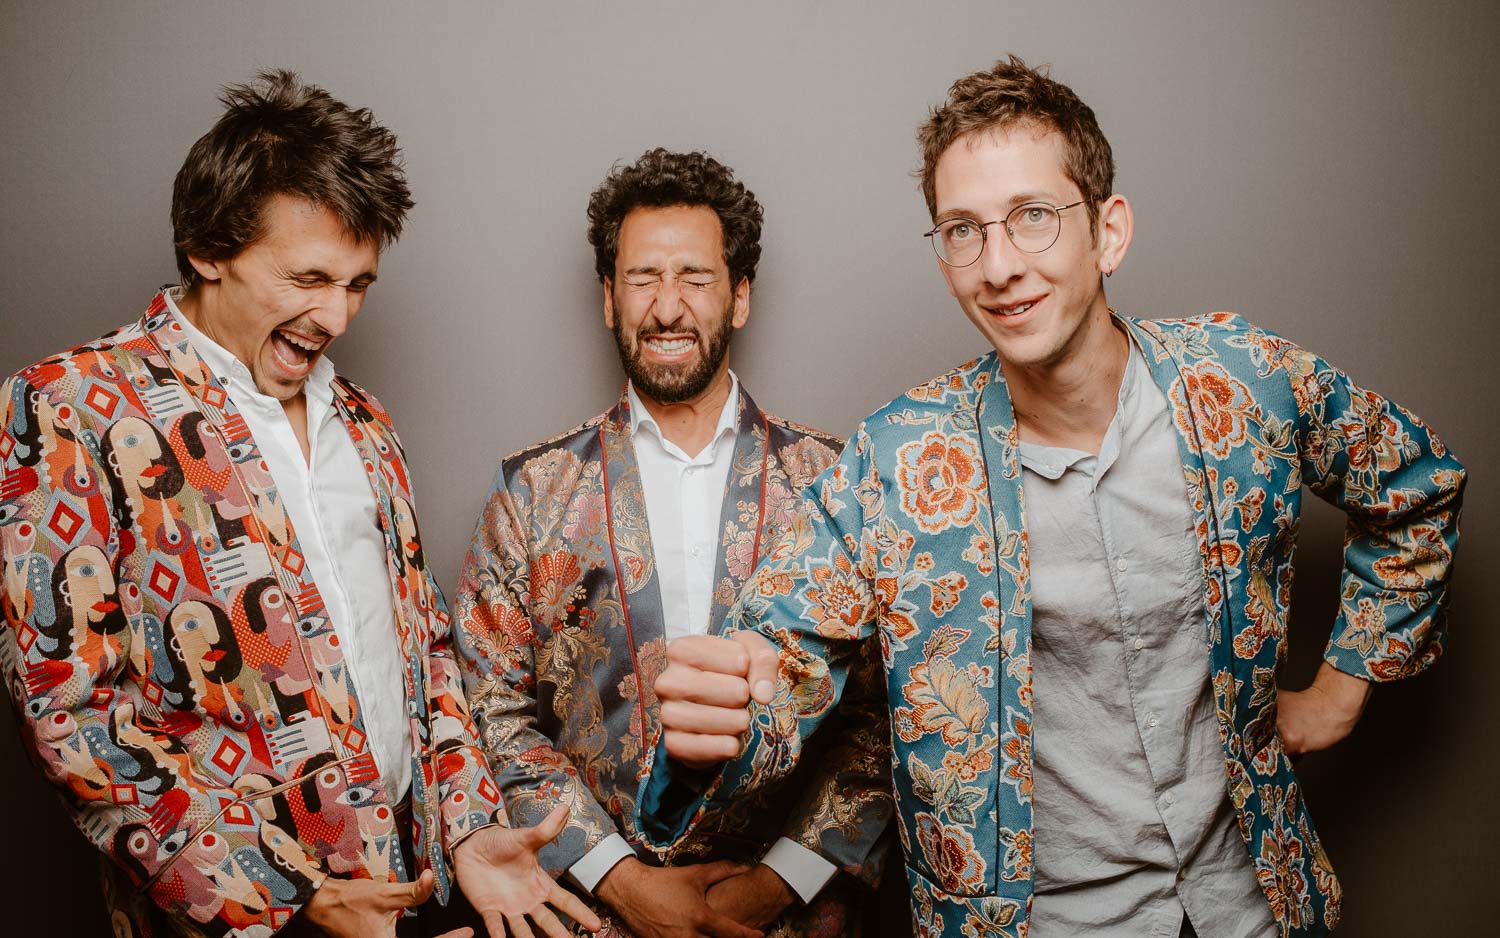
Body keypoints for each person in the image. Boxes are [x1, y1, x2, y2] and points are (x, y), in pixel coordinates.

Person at [637, 57, 1466, 938]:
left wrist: (1342, 689)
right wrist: (718, 728)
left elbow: (1416, 487)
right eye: (962, 230)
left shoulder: (1244, 384)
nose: (997, 265)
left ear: (1109, 232)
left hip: (1248, 904)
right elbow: (782, 664)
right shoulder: (900, 458)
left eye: (1032, 218)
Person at [0, 70, 597, 938]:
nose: (338, 317)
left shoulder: (364, 421)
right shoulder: (73, 406)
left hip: (408, 894)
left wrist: (466, 828)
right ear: (210, 248)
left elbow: (422, 649)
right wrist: (286, 896)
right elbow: (69, 710)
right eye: (309, 277)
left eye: (358, 285)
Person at [453, 149, 893, 938]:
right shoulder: (531, 493)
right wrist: (620, 883)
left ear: (741, 296)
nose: (666, 307)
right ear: (608, 299)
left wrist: (774, 885)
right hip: (592, 917)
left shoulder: (833, 484)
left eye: (694, 277)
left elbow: (877, 712)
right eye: (641, 279)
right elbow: (493, 708)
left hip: (787, 921)